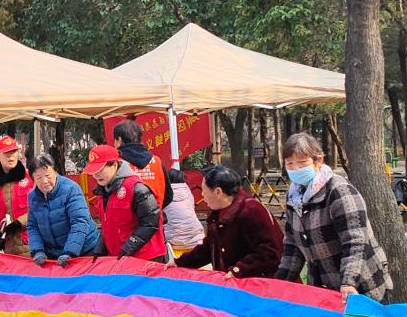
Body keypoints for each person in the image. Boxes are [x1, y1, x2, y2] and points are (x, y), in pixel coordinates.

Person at [274, 133, 389, 298]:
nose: (296, 169)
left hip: (361, 285)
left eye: (302, 163)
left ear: (318, 161)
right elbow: (293, 245)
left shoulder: (338, 190)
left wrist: (349, 282)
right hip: (323, 285)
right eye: (290, 164)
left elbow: (355, 240)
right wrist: (280, 283)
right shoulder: (294, 195)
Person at [110, 118, 206, 252]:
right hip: (156, 236)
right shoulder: (156, 161)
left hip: (126, 240)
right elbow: (168, 196)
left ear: (119, 140)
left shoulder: (116, 164)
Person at [177, 164, 282, 280]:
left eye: (204, 190)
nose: (202, 195)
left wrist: (239, 269)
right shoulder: (218, 213)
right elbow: (208, 248)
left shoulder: (251, 211)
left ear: (218, 192)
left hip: (257, 284)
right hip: (230, 282)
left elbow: (270, 252)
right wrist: (180, 262)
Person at [87, 142, 167, 262]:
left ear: (114, 165)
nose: (96, 175)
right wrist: (100, 248)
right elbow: (107, 225)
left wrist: (130, 246)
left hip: (145, 258)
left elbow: (151, 223)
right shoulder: (103, 191)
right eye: (94, 171)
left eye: (100, 170)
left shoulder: (137, 188)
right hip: (120, 258)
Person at [26, 154, 97, 263]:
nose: (44, 181)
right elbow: (33, 226)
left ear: (55, 172)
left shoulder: (70, 189)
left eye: (48, 175)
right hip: (54, 255)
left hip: (84, 250)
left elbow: (80, 222)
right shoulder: (33, 197)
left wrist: (70, 252)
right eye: (38, 178)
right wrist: (38, 250)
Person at [0, 135, 36, 257]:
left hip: (31, 244)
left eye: (13, 152)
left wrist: (19, 223)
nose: (11, 156)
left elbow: (40, 206)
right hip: (5, 247)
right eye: (6, 153)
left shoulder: (31, 178)